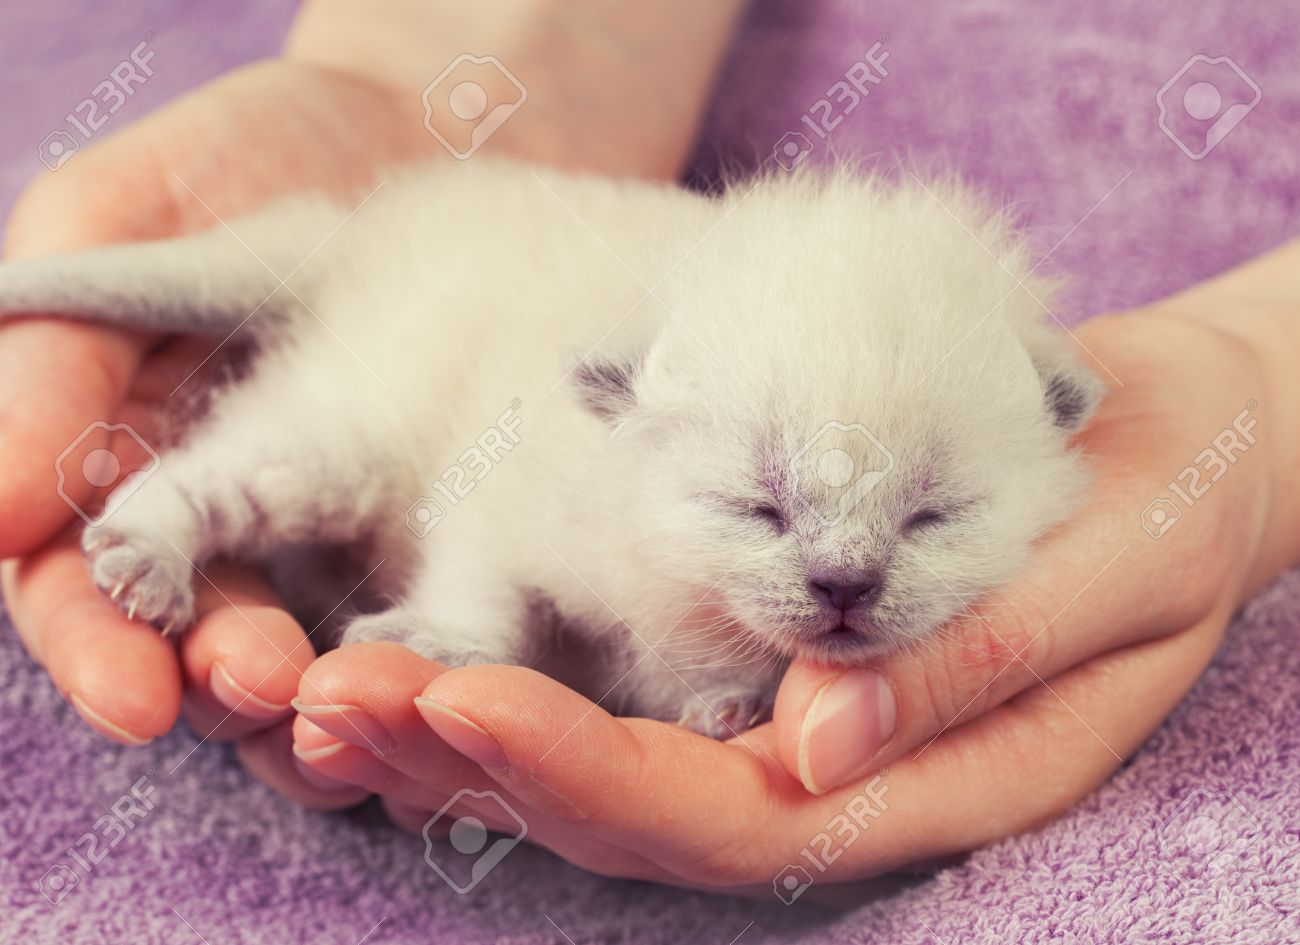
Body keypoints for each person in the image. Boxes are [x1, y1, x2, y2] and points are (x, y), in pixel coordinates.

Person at [3, 0, 1297, 893]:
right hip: (439, 290)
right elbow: (504, 512)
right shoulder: (618, 421)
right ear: (626, 411)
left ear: (1061, 420)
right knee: (331, 451)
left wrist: (1255, 380)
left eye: (932, 518)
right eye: (761, 512)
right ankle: (175, 509)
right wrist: (465, 626)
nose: (846, 578)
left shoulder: (967, 376)